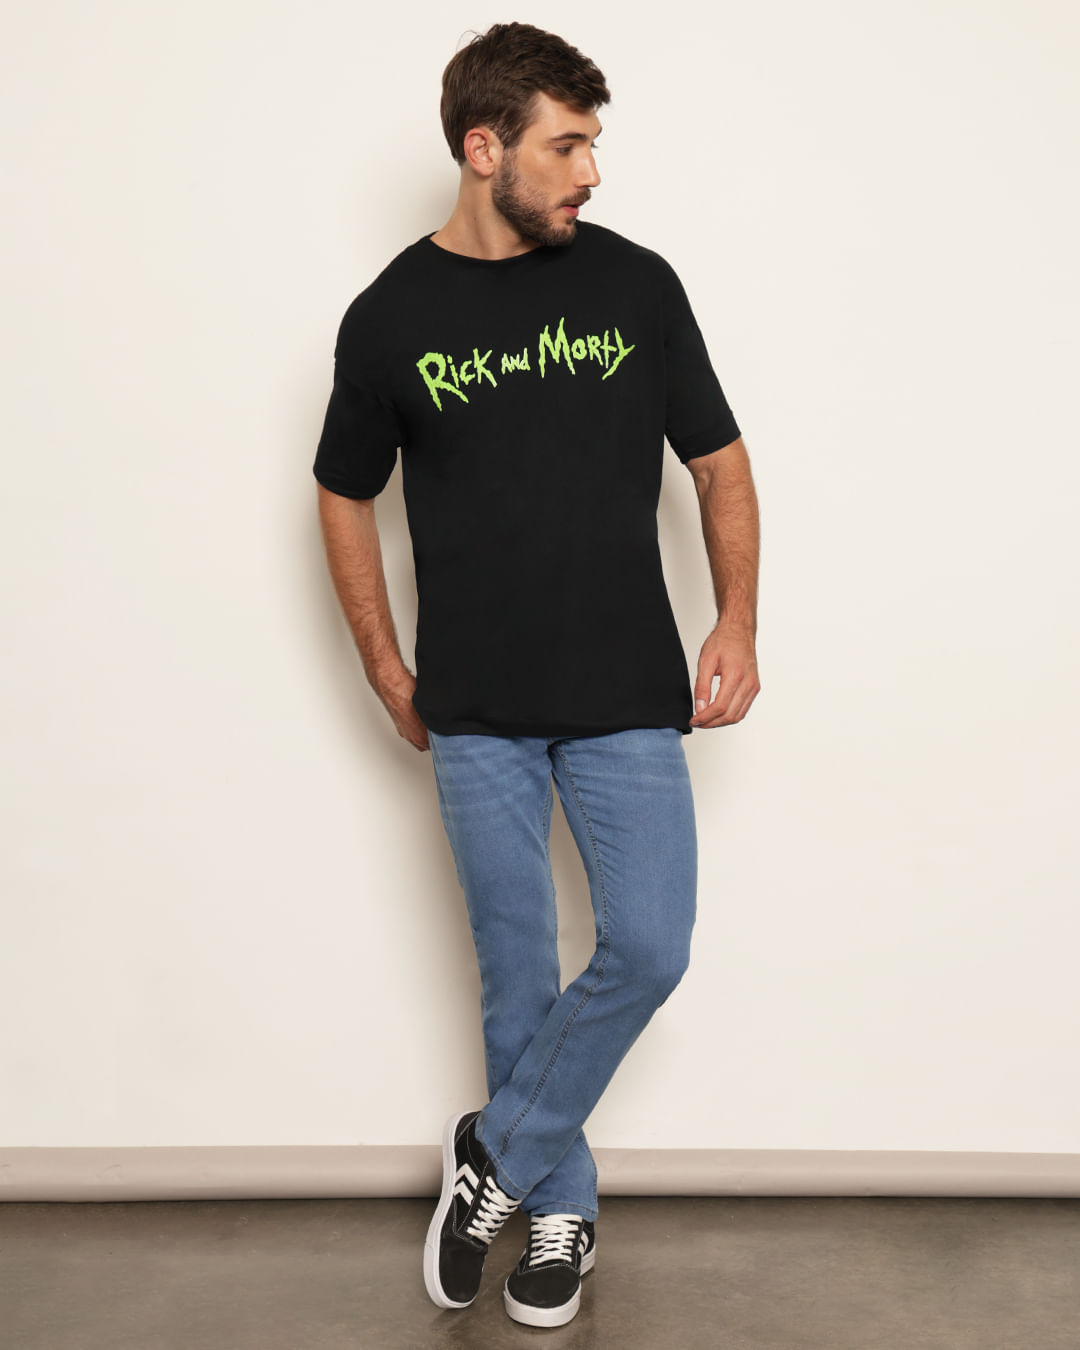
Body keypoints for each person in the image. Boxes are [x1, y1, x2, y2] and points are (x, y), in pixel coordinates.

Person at [312, 21, 761, 1330]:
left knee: (649, 945)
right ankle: (560, 1212)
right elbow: (342, 492)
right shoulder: (391, 317)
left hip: (626, 691)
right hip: (477, 710)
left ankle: (495, 1156)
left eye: (593, 145)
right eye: (567, 147)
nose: (592, 173)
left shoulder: (637, 287)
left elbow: (719, 463)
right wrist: (384, 662)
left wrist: (736, 619)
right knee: (517, 975)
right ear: (483, 147)